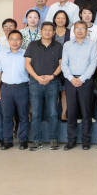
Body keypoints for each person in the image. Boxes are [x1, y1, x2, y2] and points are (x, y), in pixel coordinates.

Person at [24, 21, 62, 151]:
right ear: (41, 31)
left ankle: (53, 139)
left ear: (54, 32)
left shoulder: (58, 46)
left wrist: (52, 76)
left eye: (50, 30)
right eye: (45, 29)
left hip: (52, 82)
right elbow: (27, 64)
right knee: (35, 113)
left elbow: (61, 64)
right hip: (35, 83)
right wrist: (37, 77)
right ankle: (36, 140)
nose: (47, 32)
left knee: (53, 112)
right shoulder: (33, 45)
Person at [61, 21, 97, 150]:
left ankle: (86, 141)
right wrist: (72, 78)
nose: (80, 31)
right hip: (70, 81)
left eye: (83, 28)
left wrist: (81, 79)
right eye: (77, 28)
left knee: (86, 112)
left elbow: (93, 64)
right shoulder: (67, 45)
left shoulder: (92, 45)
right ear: (74, 30)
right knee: (71, 112)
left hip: (86, 81)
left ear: (87, 31)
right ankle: (71, 140)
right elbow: (64, 64)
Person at [0, 30, 29, 150]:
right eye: (12, 39)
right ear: (8, 41)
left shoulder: (26, 54)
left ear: (21, 41)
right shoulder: (2, 54)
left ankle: (23, 140)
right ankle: (8, 141)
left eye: (17, 39)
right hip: (6, 89)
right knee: (7, 116)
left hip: (22, 88)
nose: (15, 42)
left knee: (23, 115)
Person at [53, 10, 70, 122]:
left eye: (63, 18)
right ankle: (54, 114)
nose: (60, 20)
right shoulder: (50, 31)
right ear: (54, 19)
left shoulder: (70, 32)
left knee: (65, 91)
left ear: (66, 20)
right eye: (58, 18)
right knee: (54, 92)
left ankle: (64, 113)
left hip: (67, 66)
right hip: (52, 65)